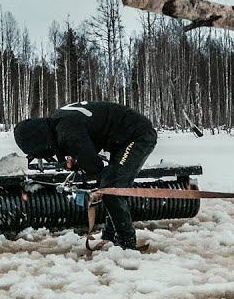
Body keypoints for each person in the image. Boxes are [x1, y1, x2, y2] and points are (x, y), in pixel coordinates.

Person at [13, 101, 157, 250]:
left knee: (111, 190)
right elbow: (89, 136)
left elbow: (94, 167)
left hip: (138, 135)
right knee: (110, 184)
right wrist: (76, 158)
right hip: (122, 137)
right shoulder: (59, 121)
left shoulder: (68, 132)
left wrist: (79, 162)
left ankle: (126, 243)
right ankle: (110, 235)